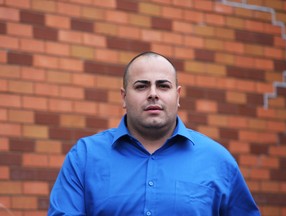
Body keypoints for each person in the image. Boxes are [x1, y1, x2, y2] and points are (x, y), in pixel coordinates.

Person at [48, 51, 260, 215]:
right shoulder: (84, 157)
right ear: (123, 97)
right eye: (141, 86)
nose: (153, 94)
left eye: (163, 86)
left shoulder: (217, 160)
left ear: (177, 96)